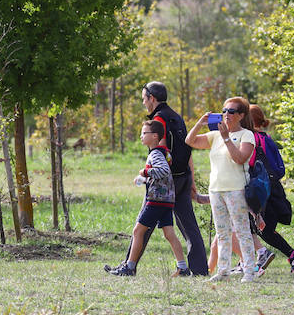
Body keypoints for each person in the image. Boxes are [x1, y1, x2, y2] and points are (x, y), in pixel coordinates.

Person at [104, 119, 189, 277]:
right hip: (167, 200)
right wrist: (145, 179)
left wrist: (145, 172)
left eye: (144, 133)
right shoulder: (164, 152)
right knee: (169, 233)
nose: (141, 136)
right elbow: (163, 175)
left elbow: (163, 171)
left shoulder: (156, 153)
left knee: (138, 231)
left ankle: (129, 267)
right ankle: (183, 268)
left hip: (156, 200)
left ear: (155, 136)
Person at [186, 96, 258, 281]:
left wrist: (227, 138)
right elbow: (190, 141)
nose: (226, 114)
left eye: (231, 111)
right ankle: (223, 270)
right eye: (224, 111)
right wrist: (201, 123)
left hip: (236, 189)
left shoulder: (246, 135)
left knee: (242, 230)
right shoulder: (215, 135)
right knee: (222, 231)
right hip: (216, 189)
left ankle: (250, 269)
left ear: (241, 115)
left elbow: (240, 158)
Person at [141, 81, 209, 276]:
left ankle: (129, 265)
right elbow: (188, 149)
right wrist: (192, 180)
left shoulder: (159, 121)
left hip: (165, 183)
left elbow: (160, 152)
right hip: (183, 178)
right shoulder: (177, 117)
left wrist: (147, 173)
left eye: (144, 100)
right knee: (189, 226)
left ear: (152, 98)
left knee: (143, 224)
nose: (144, 104)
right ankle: (199, 269)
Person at [247, 104, 294, 272]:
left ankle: (293, 254)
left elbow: (250, 163)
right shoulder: (266, 137)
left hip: (262, 189)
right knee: (260, 228)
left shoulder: (252, 138)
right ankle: (292, 255)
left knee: (260, 228)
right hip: (272, 187)